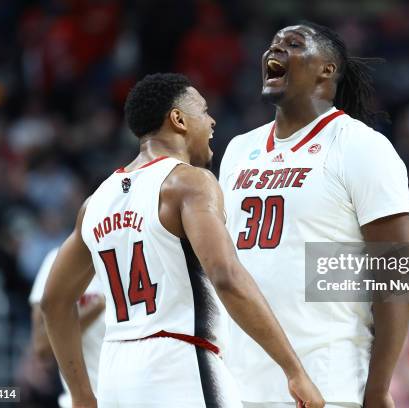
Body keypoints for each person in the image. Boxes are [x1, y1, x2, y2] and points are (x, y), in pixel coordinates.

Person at [41, 73, 324, 408]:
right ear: (178, 120)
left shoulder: (95, 202)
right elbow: (226, 277)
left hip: (116, 371)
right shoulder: (189, 182)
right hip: (180, 365)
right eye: (203, 111)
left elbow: (53, 303)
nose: (212, 120)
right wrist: (294, 370)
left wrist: (81, 394)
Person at [218, 22, 409, 408]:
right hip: (238, 385)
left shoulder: (361, 146)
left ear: (327, 69)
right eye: (272, 44)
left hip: (329, 384)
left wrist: (377, 388)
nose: (275, 50)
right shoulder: (239, 149)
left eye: (293, 44)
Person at [29, 247, 105, 408]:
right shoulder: (58, 259)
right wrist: (95, 309)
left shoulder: (136, 252)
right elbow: (42, 346)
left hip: (134, 396)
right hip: (84, 400)